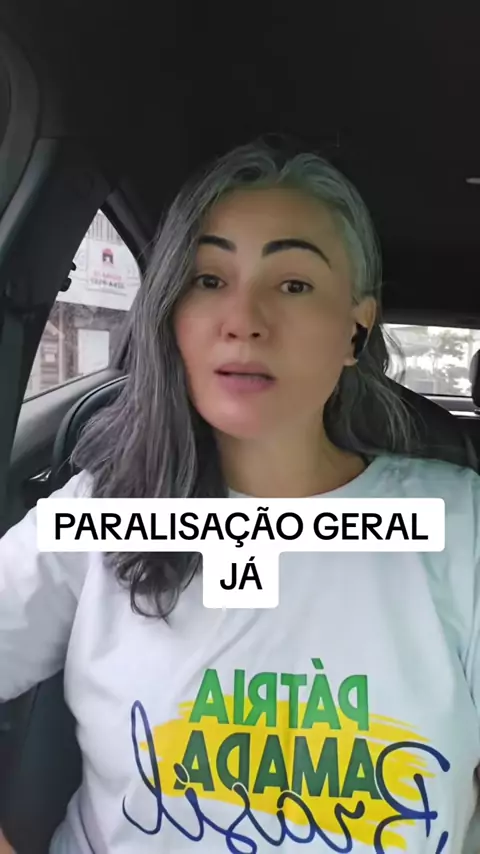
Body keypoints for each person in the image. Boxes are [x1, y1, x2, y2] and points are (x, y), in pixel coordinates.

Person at [1, 137, 480, 854]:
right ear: (173, 314)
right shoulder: (101, 513)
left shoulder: (460, 527)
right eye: (208, 279)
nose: (244, 319)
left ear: (356, 327)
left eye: (294, 284)